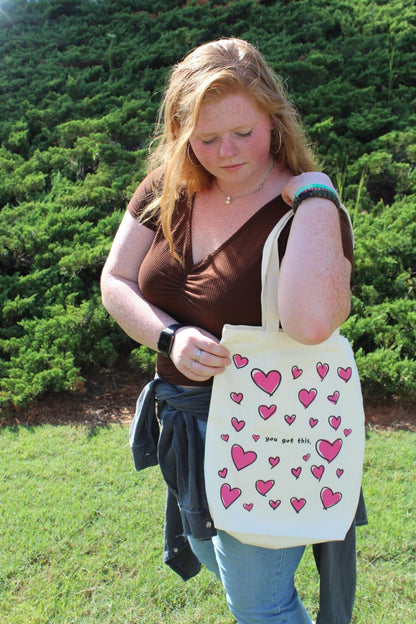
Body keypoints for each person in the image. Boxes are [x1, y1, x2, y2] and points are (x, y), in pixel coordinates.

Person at [101, 37, 366, 624]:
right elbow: (116, 279)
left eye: (243, 132)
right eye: (205, 135)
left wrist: (318, 195)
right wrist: (168, 337)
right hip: (184, 427)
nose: (225, 152)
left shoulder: (303, 207)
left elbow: (311, 323)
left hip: (269, 435)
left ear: (275, 120)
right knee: (221, 564)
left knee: (261, 605)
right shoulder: (168, 187)